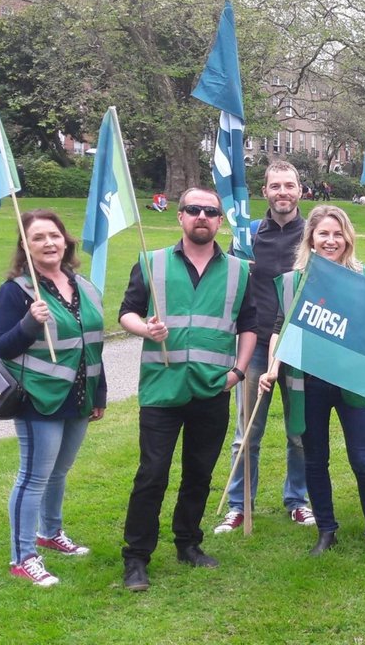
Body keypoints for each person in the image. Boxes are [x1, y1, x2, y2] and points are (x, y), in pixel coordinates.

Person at [259, 206, 365, 559]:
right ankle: (326, 531)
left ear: (347, 239)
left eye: (337, 234)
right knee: (315, 459)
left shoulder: (363, 280)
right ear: (311, 240)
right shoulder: (294, 282)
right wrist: (272, 368)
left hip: (352, 379)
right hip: (308, 381)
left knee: (362, 458)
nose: (331, 240)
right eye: (323, 234)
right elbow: (279, 329)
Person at [119, 187, 256, 591]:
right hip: (162, 388)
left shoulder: (239, 270)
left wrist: (239, 371)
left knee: (199, 473)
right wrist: (144, 327)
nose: (202, 217)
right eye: (193, 209)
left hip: (212, 388)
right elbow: (127, 311)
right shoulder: (152, 262)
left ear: (219, 221)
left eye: (210, 212)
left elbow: (250, 324)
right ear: (179, 216)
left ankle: (188, 542)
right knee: (152, 474)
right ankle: (137, 557)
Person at [0, 209, 107, 587]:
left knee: (59, 472)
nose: (49, 243)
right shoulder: (16, 291)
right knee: (33, 477)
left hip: (78, 396)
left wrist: (98, 393)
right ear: (25, 246)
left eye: (54, 235)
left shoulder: (85, 286)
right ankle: (23, 556)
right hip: (36, 398)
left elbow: (93, 345)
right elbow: (1, 347)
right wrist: (28, 323)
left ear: (65, 240)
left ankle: (50, 533)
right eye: (38, 237)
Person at [216, 161, 314, 534]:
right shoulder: (248, 235)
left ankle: (298, 500)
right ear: (265, 192)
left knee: (299, 430)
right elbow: (228, 286)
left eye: (289, 185)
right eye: (275, 186)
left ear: (300, 191)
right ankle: (240, 505)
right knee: (247, 430)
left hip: (300, 344)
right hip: (255, 344)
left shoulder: (312, 234)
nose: (283, 192)